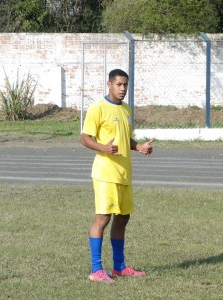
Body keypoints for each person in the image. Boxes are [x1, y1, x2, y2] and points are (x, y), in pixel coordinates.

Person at [80, 69, 153, 284]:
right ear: (109, 84)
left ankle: (119, 266)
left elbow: (125, 138)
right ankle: (96, 270)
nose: (122, 89)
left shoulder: (127, 109)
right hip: (105, 173)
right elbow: (85, 138)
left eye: (125, 85)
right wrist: (103, 147)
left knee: (123, 218)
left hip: (124, 173)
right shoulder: (98, 107)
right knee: (103, 218)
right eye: (119, 84)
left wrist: (139, 146)